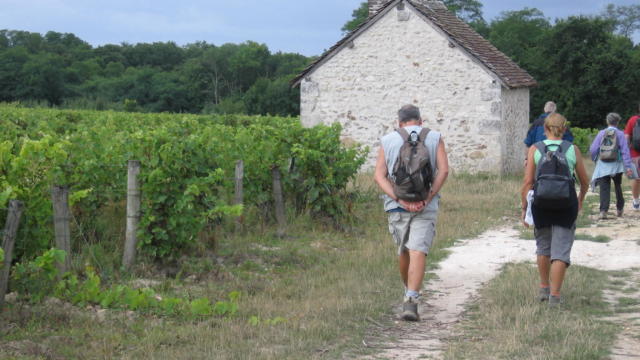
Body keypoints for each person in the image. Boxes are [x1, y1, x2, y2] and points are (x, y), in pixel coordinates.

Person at [374, 104, 449, 321]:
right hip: (426, 204)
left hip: (397, 205)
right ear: (420, 121)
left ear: (399, 123)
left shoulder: (388, 140)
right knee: (418, 250)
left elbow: (379, 176)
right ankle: (411, 299)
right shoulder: (435, 137)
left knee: (404, 251)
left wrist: (397, 198)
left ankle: (408, 291)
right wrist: (428, 197)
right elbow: (443, 170)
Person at [521, 113, 589, 307]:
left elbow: (527, 182)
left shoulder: (535, 148)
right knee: (560, 251)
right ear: (564, 129)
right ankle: (555, 296)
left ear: (545, 129)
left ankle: (543, 288)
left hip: (541, 204)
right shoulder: (572, 150)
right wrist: (580, 200)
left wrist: (525, 208)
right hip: (566, 204)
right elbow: (584, 181)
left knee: (543, 246)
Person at [589, 113, 633, 219]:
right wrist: (628, 166)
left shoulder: (601, 133)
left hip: (603, 164)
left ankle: (603, 211)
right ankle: (620, 209)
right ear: (617, 122)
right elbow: (625, 151)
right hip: (617, 165)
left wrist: (594, 158)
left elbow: (593, 149)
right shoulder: (620, 134)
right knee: (618, 186)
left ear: (607, 121)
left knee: (604, 188)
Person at [623, 103, 640, 209]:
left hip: (635, 153)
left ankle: (636, 201)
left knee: (636, 178)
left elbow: (626, 136)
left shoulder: (633, 119)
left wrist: (627, 152)